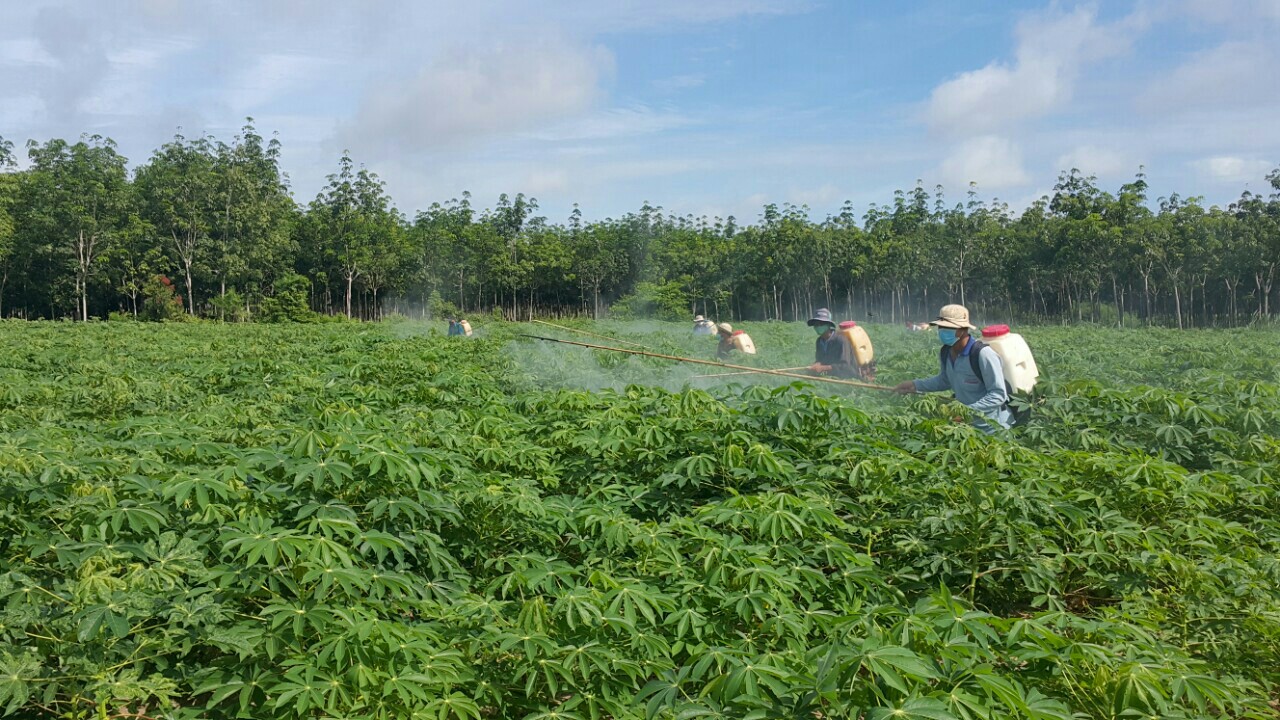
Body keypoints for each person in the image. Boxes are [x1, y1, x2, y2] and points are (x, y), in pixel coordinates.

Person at [894, 304, 1013, 433]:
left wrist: (966, 412)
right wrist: (915, 385)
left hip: (992, 429)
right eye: (941, 327)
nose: (942, 331)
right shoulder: (946, 352)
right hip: (965, 428)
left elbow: (998, 395)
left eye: (948, 328)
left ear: (962, 329)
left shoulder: (983, 354)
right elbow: (945, 380)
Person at [806, 308, 859, 378]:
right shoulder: (819, 341)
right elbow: (820, 359)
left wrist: (823, 368)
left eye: (821, 324)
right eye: (815, 324)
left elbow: (845, 366)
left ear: (828, 325)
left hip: (849, 377)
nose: (817, 326)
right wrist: (817, 364)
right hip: (830, 376)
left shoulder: (841, 340)